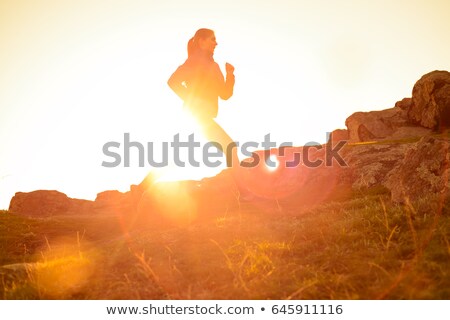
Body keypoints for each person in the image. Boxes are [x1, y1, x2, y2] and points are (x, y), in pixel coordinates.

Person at [167, 28, 240, 168]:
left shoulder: (214, 66)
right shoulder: (193, 62)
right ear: (201, 42)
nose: (216, 43)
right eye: (212, 39)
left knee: (176, 159)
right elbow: (172, 81)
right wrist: (192, 99)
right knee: (230, 149)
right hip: (197, 117)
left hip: (203, 117)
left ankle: (140, 188)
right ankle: (238, 187)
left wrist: (230, 74)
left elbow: (225, 94)